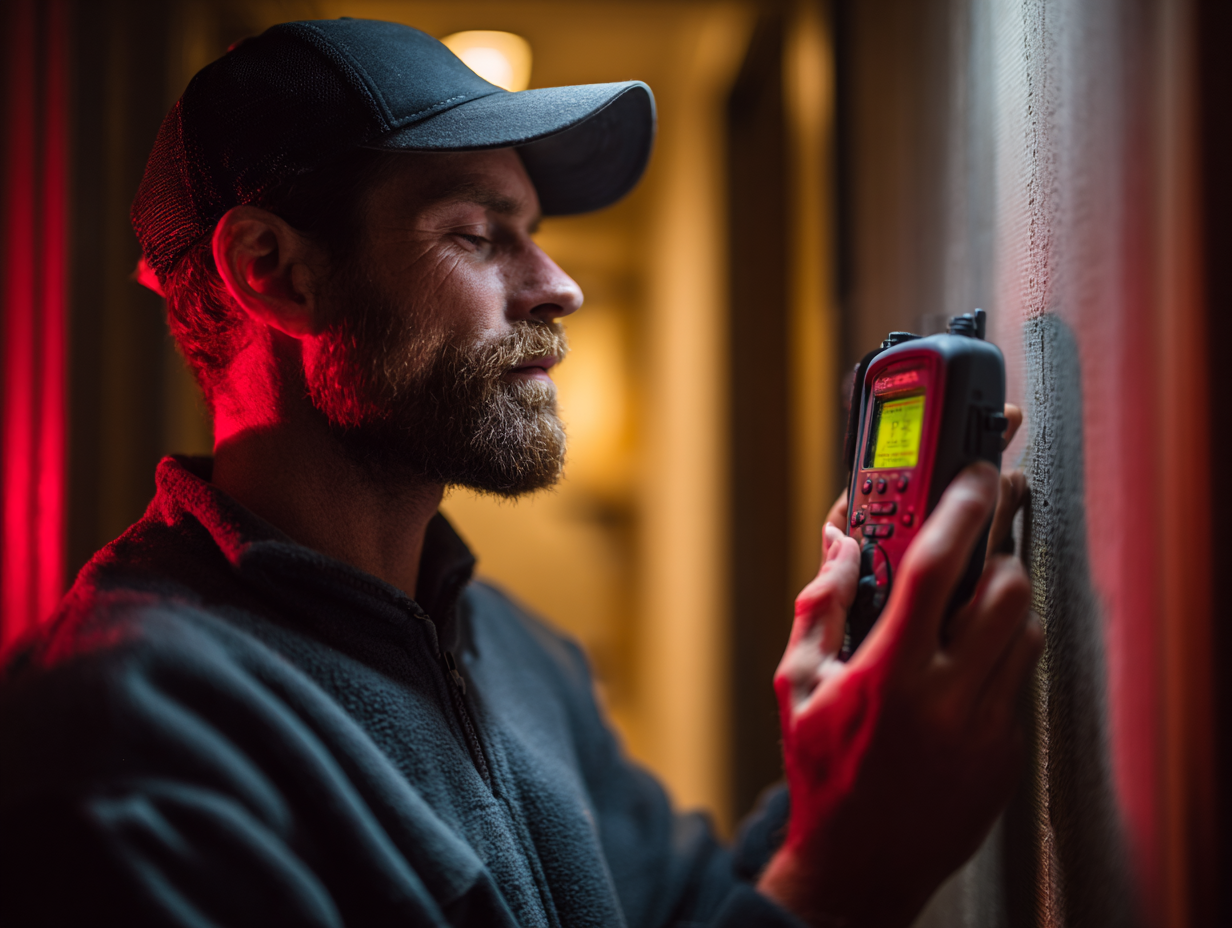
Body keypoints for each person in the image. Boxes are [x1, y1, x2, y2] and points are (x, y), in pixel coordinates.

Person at [0, 19, 1041, 928]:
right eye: (476, 233)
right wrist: (844, 886)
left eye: (531, 234)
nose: (559, 287)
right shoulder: (127, 727)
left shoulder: (515, 648)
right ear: (273, 271)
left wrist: (842, 772)